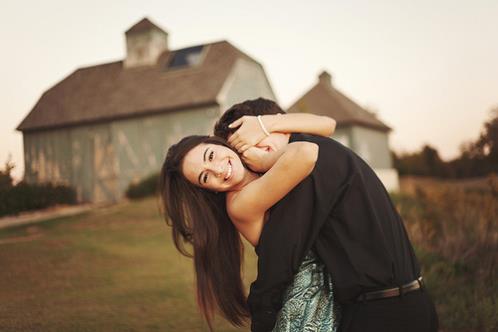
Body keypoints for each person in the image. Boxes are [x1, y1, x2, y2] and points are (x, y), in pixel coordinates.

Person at [214, 98, 439, 332]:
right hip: (412, 303)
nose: (252, 153)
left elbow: (280, 256)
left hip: (382, 314)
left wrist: (261, 319)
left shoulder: (304, 165)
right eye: (242, 153)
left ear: (278, 127)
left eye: (252, 140)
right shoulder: (326, 150)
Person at [158, 110, 340, 331]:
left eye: (211, 155)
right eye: (205, 177)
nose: (218, 170)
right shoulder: (239, 204)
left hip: (336, 287)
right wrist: (267, 157)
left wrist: (263, 123)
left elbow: (328, 124)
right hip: (307, 308)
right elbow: (306, 153)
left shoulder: (255, 166)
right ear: (206, 190)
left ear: (219, 144)